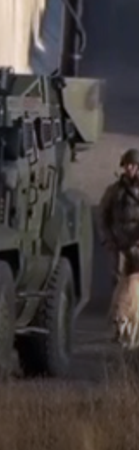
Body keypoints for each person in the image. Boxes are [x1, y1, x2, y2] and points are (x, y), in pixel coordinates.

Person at [100, 149, 139, 349]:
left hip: (137, 246)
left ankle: (134, 328)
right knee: (118, 286)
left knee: (135, 286)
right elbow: (103, 215)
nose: (129, 169)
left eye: (133, 165)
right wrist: (108, 239)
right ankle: (118, 327)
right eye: (127, 165)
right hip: (119, 245)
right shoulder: (115, 191)